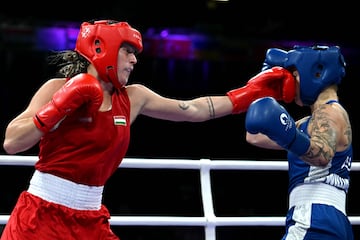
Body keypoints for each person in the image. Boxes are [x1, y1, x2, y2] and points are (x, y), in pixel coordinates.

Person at [1, 19, 295, 240]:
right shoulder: (57, 88)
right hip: (41, 213)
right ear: (102, 48)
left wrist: (248, 94)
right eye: (127, 51)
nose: (134, 60)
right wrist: (59, 106)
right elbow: (12, 142)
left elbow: (192, 110)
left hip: (91, 219)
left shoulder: (133, 97)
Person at [245, 45, 354, 239]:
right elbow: (254, 136)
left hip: (314, 217)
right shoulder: (310, 122)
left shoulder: (329, 113)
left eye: (294, 75)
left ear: (315, 73)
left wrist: (290, 136)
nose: (291, 82)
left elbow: (322, 155)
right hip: (324, 218)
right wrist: (264, 90)